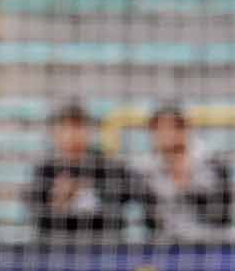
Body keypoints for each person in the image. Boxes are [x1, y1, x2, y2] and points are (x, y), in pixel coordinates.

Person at [25, 102, 148, 239]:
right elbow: (38, 219)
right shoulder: (44, 171)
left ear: (89, 131)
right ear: (54, 134)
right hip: (58, 245)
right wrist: (59, 201)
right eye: (65, 128)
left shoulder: (110, 167)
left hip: (104, 245)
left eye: (78, 127)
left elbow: (135, 201)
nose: (71, 135)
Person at [140, 104, 233, 240]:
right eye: (157, 129)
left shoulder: (212, 163)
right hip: (167, 245)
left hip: (209, 242)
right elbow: (151, 219)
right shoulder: (149, 169)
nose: (163, 135)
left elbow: (222, 215)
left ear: (183, 130)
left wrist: (187, 187)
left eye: (169, 128)